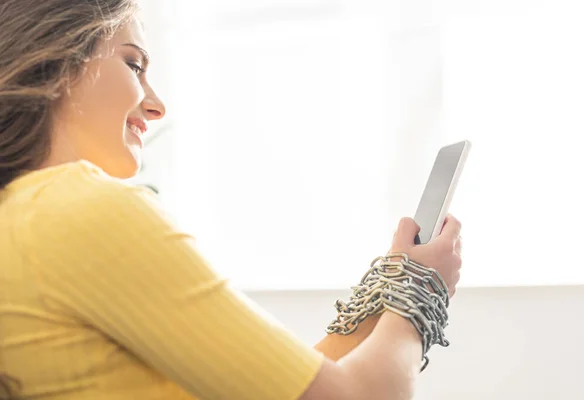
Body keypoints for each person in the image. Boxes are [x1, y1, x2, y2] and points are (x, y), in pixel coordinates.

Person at [0, 0, 463, 399]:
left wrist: (388, 289)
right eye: (134, 65)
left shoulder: (22, 219)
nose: (157, 105)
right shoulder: (85, 209)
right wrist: (421, 290)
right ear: (55, 59)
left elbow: (287, 385)